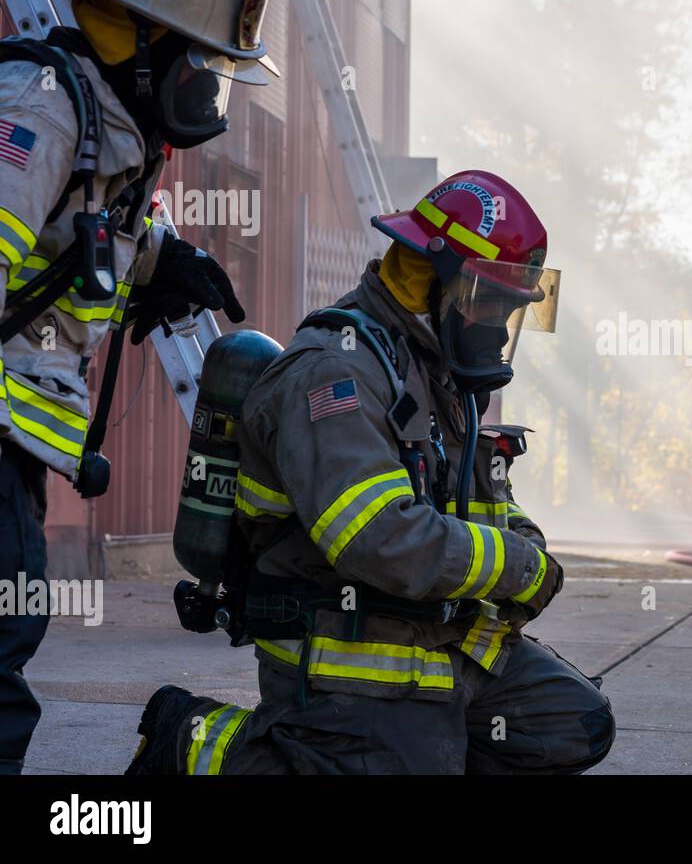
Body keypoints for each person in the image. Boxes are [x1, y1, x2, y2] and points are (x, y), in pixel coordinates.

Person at [127, 170, 615, 774]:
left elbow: (472, 498)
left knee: (569, 724)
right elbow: (378, 538)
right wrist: (517, 567)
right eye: (489, 303)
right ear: (434, 279)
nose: (496, 328)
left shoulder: (436, 369)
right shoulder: (336, 375)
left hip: (433, 637)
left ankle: (409, 746)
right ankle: (194, 746)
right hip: (346, 649)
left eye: (508, 311)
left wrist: (528, 542)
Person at [0, 0, 274, 774]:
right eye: (203, 70)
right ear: (143, 44)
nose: (211, 99)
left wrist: (163, 261)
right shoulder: (39, 110)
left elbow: (73, 234)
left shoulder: (106, 130)